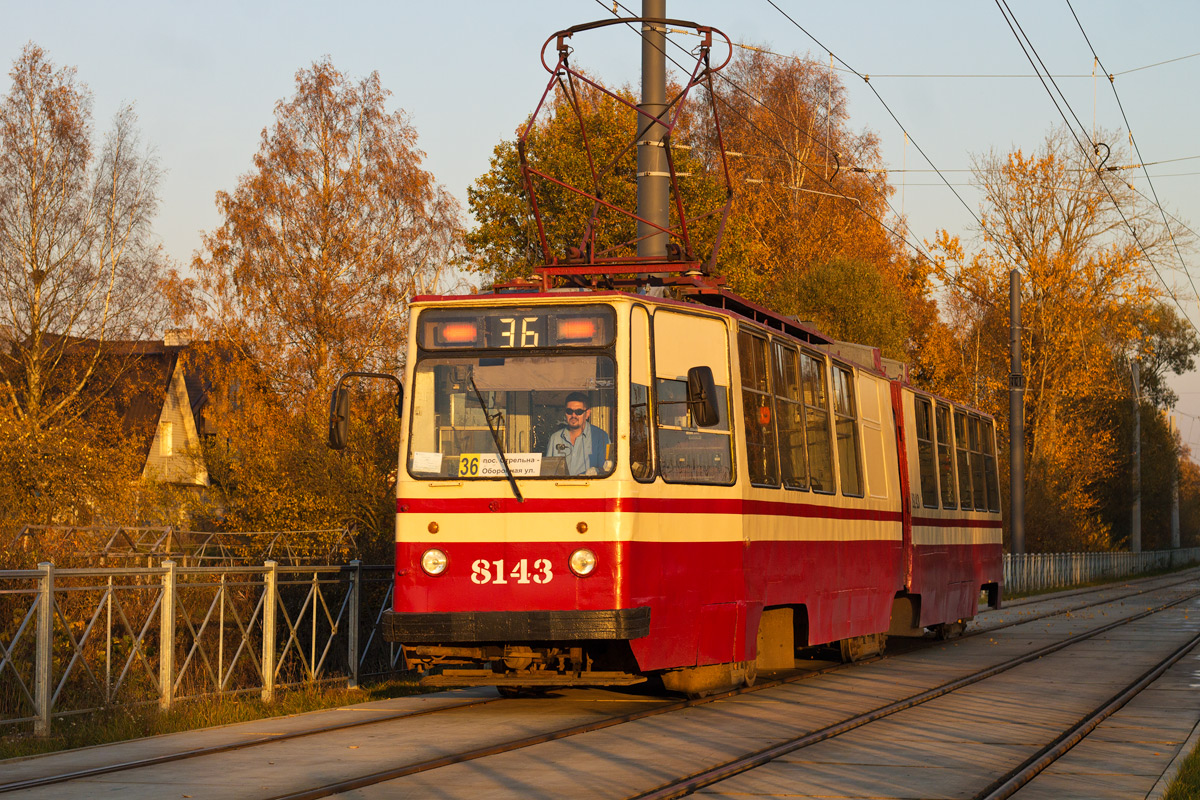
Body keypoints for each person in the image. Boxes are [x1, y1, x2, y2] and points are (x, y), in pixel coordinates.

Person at [544, 391, 611, 476]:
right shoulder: (555, 438)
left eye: (578, 412)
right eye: (569, 411)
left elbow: (607, 470)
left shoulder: (600, 437)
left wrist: (596, 471)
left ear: (587, 414)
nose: (573, 415)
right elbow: (549, 473)